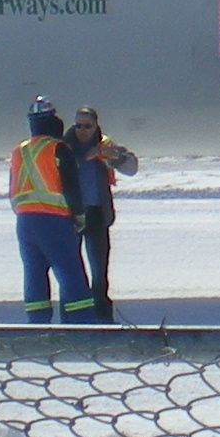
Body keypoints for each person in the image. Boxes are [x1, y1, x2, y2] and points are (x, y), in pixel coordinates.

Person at [10, 99, 97, 322]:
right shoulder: (58, 148)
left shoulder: (20, 151)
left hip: (25, 222)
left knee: (34, 273)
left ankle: (37, 324)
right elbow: (71, 186)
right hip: (54, 220)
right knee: (69, 272)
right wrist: (79, 216)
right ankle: (82, 324)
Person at [62, 105, 139, 322]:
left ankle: (102, 317)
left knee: (99, 271)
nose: (82, 130)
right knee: (71, 268)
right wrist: (85, 157)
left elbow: (132, 167)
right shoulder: (64, 147)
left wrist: (115, 158)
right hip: (71, 215)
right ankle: (72, 316)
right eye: (78, 126)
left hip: (96, 213)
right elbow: (58, 170)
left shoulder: (105, 145)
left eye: (87, 126)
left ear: (96, 125)